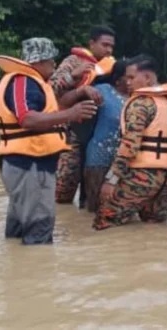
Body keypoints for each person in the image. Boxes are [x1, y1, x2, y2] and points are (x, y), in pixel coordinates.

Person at [0, 37, 98, 245]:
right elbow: (28, 119)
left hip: (29, 165)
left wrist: (72, 83)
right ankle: (37, 273)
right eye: (51, 61)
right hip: (29, 164)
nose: (54, 65)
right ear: (39, 61)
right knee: (39, 227)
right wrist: (70, 114)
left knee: (19, 228)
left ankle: (18, 269)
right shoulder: (22, 81)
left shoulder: (33, 82)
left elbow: (53, 91)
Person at [93, 55, 167, 231]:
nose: (127, 82)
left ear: (148, 78)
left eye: (132, 77)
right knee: (154, 227)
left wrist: (111, 179)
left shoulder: (141, 103)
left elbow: (129, 145)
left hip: (142, 176)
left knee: (105, 221)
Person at [50, 25, 117, 206]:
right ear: (92, 43)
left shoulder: (113, 67)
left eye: (111, 46)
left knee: (94, 191)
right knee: (64, 187)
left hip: (100, 133)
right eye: (105, 45)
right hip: (71, 132)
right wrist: (74, 76)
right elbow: (51, 89)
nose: (108, 50)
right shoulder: (74, 61)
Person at [80, 58, 131, 213]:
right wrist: (83, 89)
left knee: (123, 210)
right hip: (99, 159)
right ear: (117, 78)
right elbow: (64, 102)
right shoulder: (102, 90)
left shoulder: (140, 96)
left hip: (127, 164)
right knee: (96, 211)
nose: (132, 80)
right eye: (129, 76)